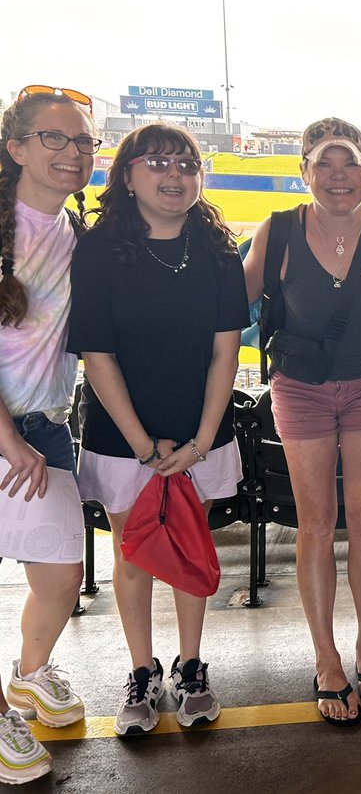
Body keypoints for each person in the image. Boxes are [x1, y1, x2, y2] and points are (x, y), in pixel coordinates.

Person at [69, 124, 247, 736]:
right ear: (127, 174)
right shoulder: (97, 251)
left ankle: (191, 666)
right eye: (159, 163)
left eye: (187, 164)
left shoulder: (221, 253)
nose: (175, 175)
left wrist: (199, 441)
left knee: (190, 546)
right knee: (136, 553)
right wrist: (145, 446)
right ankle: (142, 671)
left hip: (200, 431)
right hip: (125, 437)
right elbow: (98, 356)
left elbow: (227, 355)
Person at [242, 117, 361, 727]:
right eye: (325, 165)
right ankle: (326, 658)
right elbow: (230, 302)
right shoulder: (279, 231)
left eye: (351, 164)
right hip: (300, 390)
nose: (339, 177)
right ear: (305, 171)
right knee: (316, 523)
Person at [0, 86, 97, 784]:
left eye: (84, 141)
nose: (73, 153)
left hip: (48, 426)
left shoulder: (76, 236)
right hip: (9, 433)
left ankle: (29, 676)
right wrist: (9, 440)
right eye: (55, 139)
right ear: (16, 149)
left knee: (63, 574)